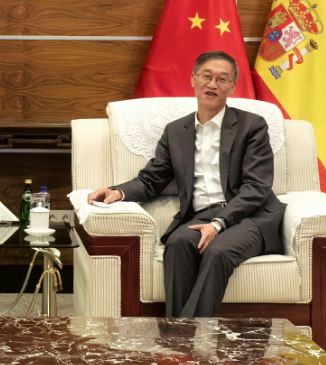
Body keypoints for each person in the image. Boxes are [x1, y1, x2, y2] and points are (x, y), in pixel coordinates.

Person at [88, 50, 285, 318]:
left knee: (218, 250)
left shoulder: (251, 126)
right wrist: (118, 191)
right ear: (194, 79)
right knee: (179, 242)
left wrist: (219, 223)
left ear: (232, 87)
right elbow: (153, 179)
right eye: (207, 76)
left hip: (250, 217)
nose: (213, 84)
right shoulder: (176, 131)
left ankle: (185, 336)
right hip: (201, 215)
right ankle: (181, 335)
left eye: (222, 79)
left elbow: (257, 187)